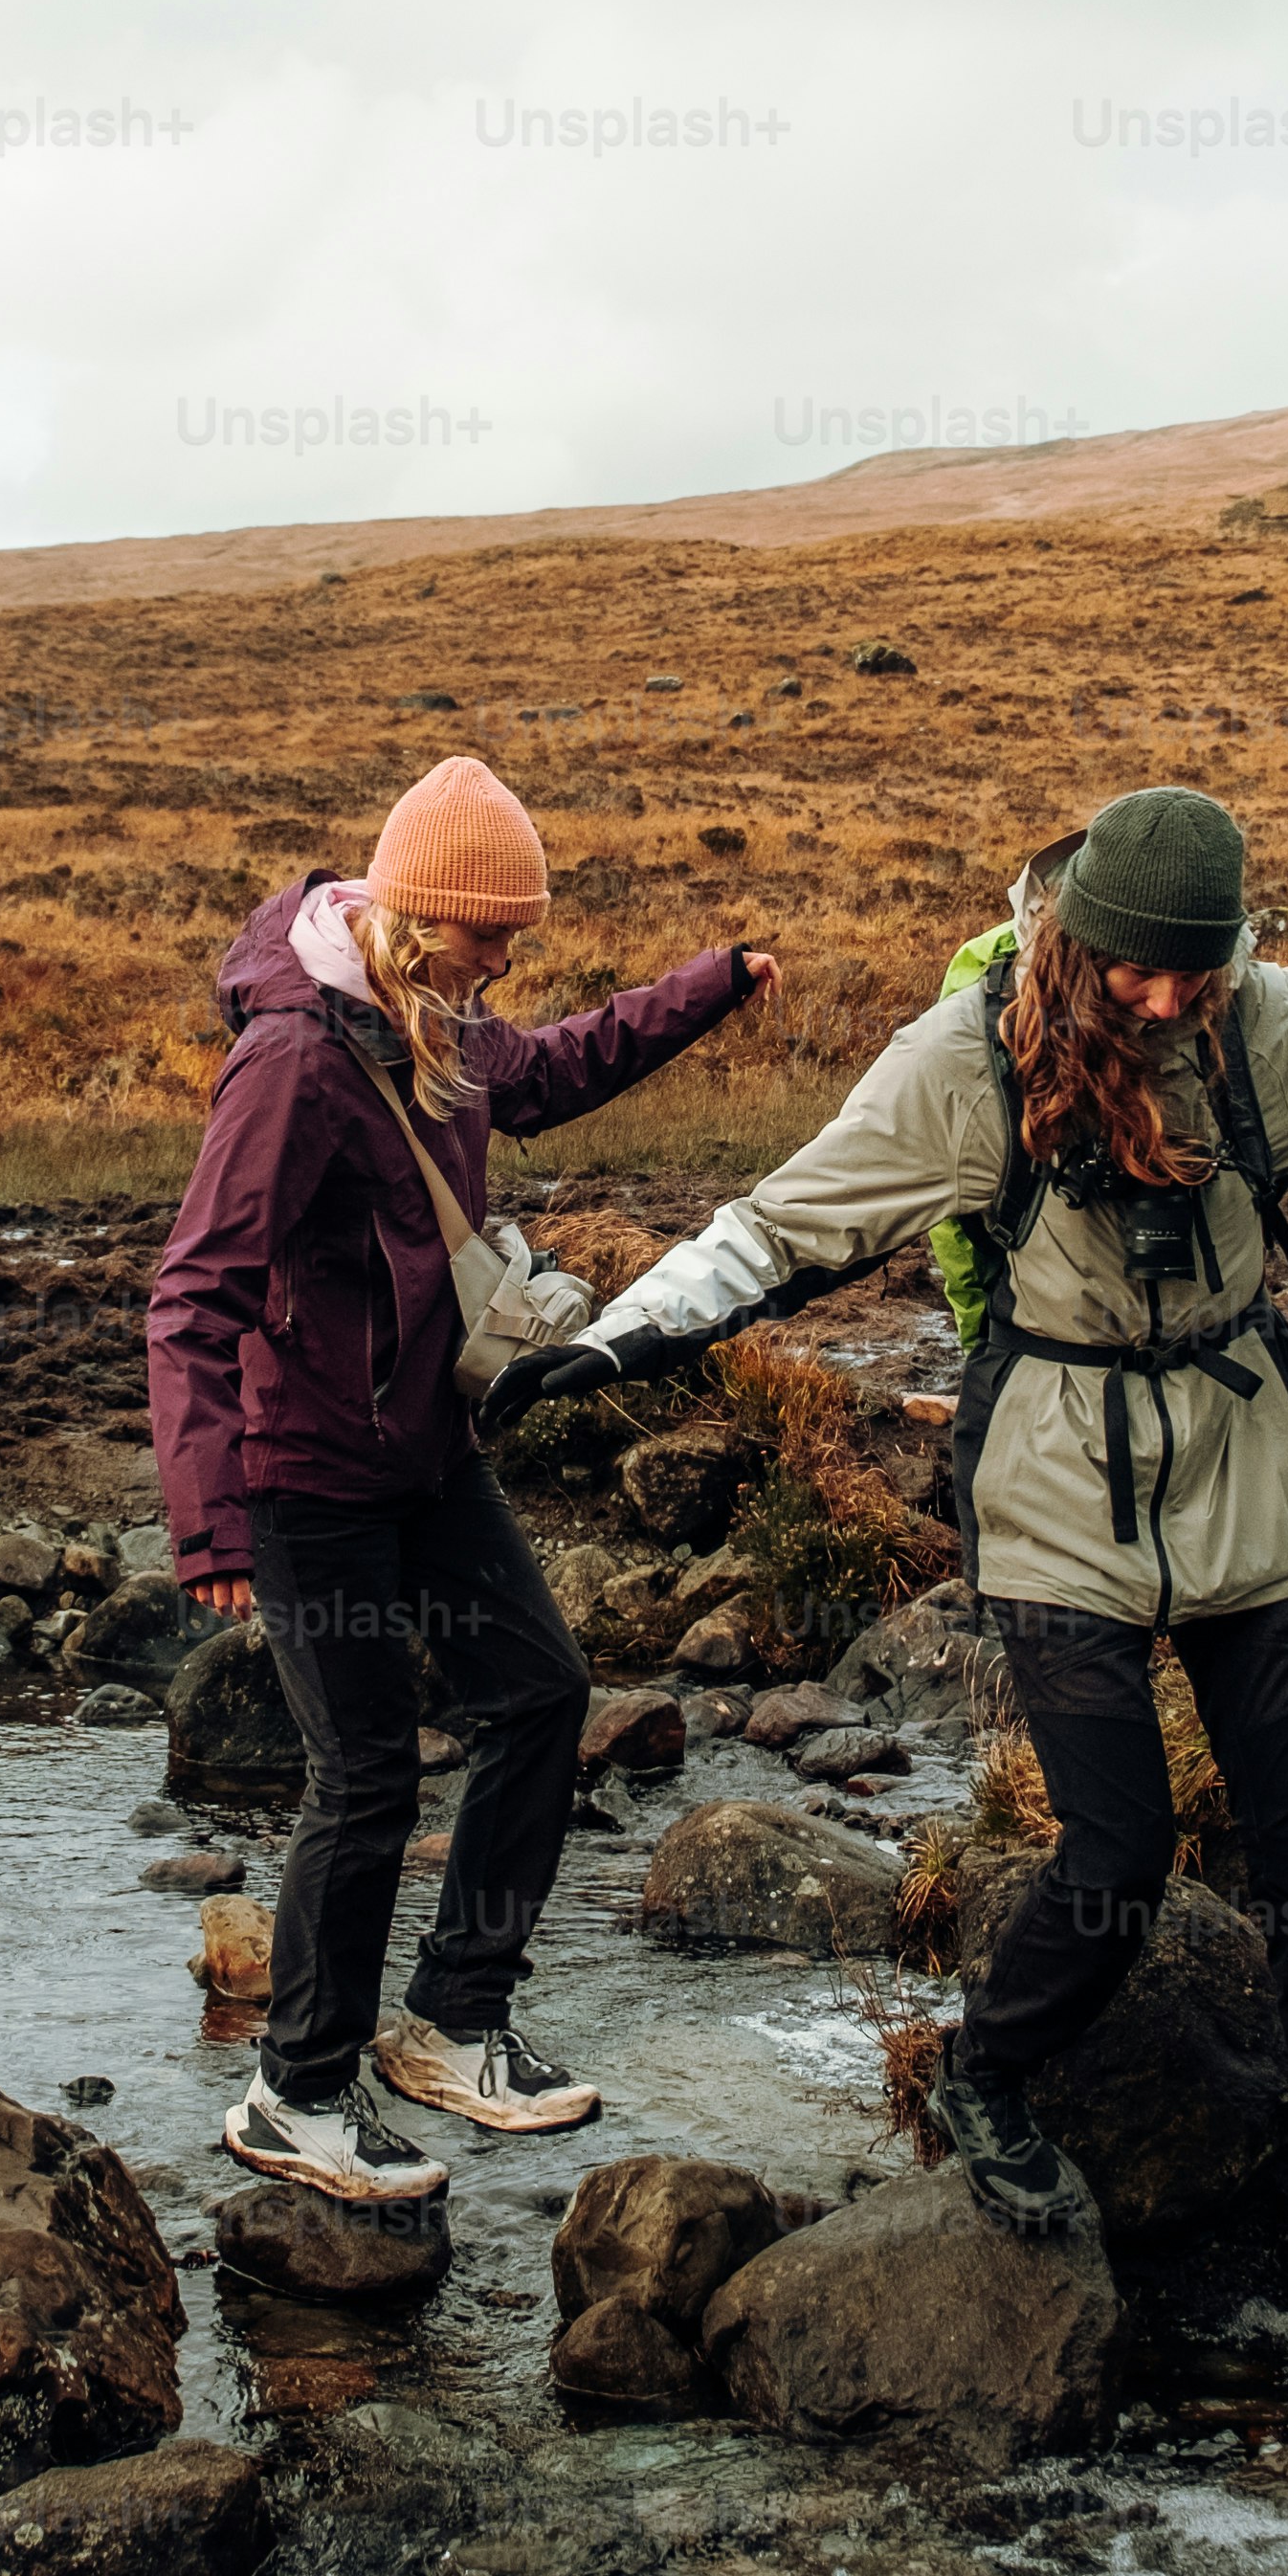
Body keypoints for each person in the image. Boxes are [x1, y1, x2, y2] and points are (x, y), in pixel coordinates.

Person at [483, 785, 1288, 2425]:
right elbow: (778, 1231)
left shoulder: (1257, 1034)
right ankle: (989, 2071)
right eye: (1143, 974)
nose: (1170, 1002)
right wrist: (603, 1344)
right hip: (1053, 1499)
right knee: (1116, 1854)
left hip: (1247, 1484)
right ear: (1076, 941)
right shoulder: (963, 1064)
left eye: (1200, 973)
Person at [151, 755, 775, 2204]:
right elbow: (193, 1294)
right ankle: (294, 2095)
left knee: (544, 1696)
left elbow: (551, 1075)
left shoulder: (431, 1019)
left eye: (515, 934)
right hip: (307, 1472)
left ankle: (449, 2023)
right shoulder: (298, 1060)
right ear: (420, 914)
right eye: (493, 933)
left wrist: (711, 984)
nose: (509, 959)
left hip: (424, 1450)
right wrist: (209, 1527)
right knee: (365, 1776)